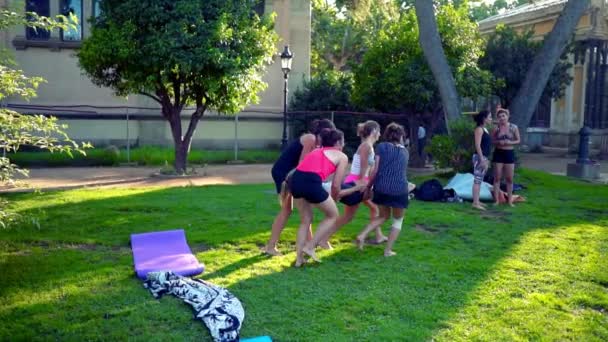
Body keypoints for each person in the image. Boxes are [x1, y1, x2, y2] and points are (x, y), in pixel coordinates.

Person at [262, 119, 336, 256]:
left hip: (290, 174)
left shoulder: (315, 142)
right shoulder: (311, 139)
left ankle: (308, 243)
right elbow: (303, 163)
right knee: (287, 210)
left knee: (304, 211)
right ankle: (271, 246)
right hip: (283, 173)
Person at [318, 120, 386, 248]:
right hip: (356, 183)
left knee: (359, 213)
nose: (380, 134)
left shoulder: (367, 146)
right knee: (354, 215)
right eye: (379, 131)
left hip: (357, 182)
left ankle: (379, 235)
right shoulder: (366, 146)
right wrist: (365, 187)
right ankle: (323, 239)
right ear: (374, 132)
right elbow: (362, 172)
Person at [290, 129, 349, 267]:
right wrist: (334, 199)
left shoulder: (316, 151)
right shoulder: (342, 156)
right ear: (339, 142)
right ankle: (310, 247)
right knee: (333, 215)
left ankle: (299, 260)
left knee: (305, 221)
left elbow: (303, 168)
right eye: (343, 141)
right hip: (310, 182)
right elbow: (336, 185)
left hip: (295, 180)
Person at [356, 123, 409, 257]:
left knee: (383, 216)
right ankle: (387, 251)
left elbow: (375, 171)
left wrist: (368, 187)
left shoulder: (381, 147)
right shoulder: (405, 152)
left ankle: (362, 235)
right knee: (398, 220)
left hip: (382, 188)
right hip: (399, 189)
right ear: (401, 136)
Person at [492, 109, 520, 207]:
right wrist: (498, 142)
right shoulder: (496, 128)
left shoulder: (513, 127)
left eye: (503, 116)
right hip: (498, 153)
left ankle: (510, 201)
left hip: (509, 153)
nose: (502, 118)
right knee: (497, 178)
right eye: (499, 117)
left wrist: (509, 142)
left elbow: (518, 140)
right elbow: (493, 141)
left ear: (507, 116)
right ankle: (496, 200)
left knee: (509, 178)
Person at [471, 110, 492, 211]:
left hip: (484, 157)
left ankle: (477, 201)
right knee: (477, 180)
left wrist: (486, 159)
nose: (491, 119)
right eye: (490, 117)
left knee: (480, 180)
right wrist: (482, 159)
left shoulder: (485, 129)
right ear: (484, 118)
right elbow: (477, 145)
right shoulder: (479, 129)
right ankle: (475, 203)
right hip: (479, 157)